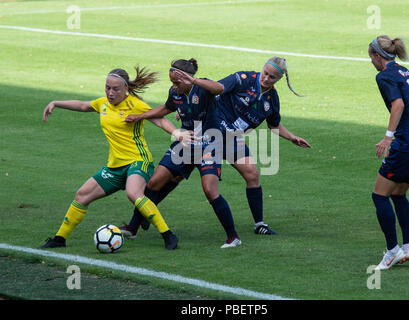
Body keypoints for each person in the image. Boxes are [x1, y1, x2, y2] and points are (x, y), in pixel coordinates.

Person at [38, 66, 179, 250]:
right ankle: (60, 239)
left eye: (115, 89)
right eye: (107, 88)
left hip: (138, 161)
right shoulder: (103, 104)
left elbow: (159, 119)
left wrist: (177, 132)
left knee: (133, 193)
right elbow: (83, 105)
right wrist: (56, 102)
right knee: (81, 195)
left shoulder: (134, 105)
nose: (110, 93)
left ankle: (168, 235)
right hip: (115, 166)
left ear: (126, 88)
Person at [121, 58, 241, 248]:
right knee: (154, 182)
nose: (174, 87)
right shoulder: (174, 92)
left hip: (209, 143)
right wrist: (139, 116)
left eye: (177, 83)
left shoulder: (202, 87)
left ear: (188, 78)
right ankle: (133, 227)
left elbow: (219, 88)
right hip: (186, 142)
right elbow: (166, 108)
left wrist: (193, 81)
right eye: (172, 83)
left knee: (210, 190)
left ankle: (233, 237)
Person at [215, 57, 311, 235]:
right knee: (176, 174)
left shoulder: (272, 100)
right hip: (211, 130)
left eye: (272, 77)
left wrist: (292, 138)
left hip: (232, 138)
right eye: (265, 73)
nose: (266, 78)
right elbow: (213, 89)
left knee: (252, 174)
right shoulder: (243, 79)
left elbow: (274, 126)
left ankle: (259, 224)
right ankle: (148, 208)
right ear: (262, 69)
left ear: (279, 79)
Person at [368, 35, 409, 270]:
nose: (371, 62)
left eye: (370, 57)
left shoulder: (384, 75)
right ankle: (408, 247)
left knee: (379, 195)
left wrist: (388, 137)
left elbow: (399, 105)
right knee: (398, 194)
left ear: (377, 56)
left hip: (406, 145)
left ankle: (393, 251)